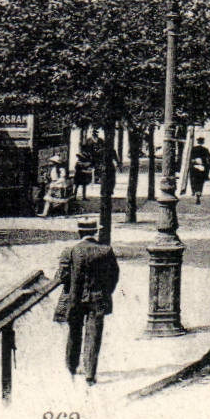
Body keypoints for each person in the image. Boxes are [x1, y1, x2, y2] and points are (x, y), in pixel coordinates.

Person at [53, 219, 119, 386]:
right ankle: (90, 374)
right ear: (95, 232)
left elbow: (62, 277)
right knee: (94, 335)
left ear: (79, 232)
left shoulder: (70, 251)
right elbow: (114, 276)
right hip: (98, 298)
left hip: (75, 299)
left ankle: (72, 367)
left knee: (74, 332)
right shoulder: (106, 251)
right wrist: (105, 292)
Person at [40, 154, 71, 218]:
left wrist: (56, 183)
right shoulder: (53, 168)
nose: (50, 163)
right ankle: (44, 213)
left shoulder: (61, 169)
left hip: (60, 185)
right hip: (54, 185)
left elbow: (63, 178)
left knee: (63, 200)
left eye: (52, 161)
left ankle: (65, 214)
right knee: (48, 199)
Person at [187, 136, 210, 206]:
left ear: (197, 141)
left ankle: (194, 191)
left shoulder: (193, 149)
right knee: (200, 182)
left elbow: (189, 158)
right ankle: (198, 194)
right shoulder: (205, 149)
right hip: (202, 168)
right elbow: (209, 158)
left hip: (194, 167)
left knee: (193, 180)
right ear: (203, 142)